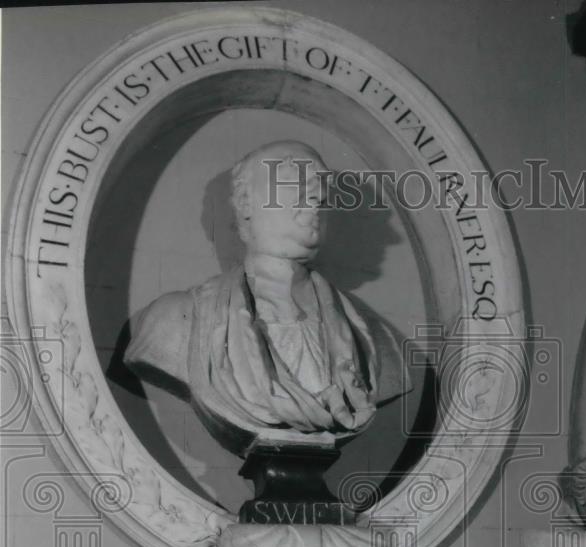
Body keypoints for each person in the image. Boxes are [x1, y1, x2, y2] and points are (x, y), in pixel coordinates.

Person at [124, 140, 406, 454]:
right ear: (245, 202)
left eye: (321, 186)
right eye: (294, 181)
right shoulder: (176, 321)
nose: (318, 195)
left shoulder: (375, 340)